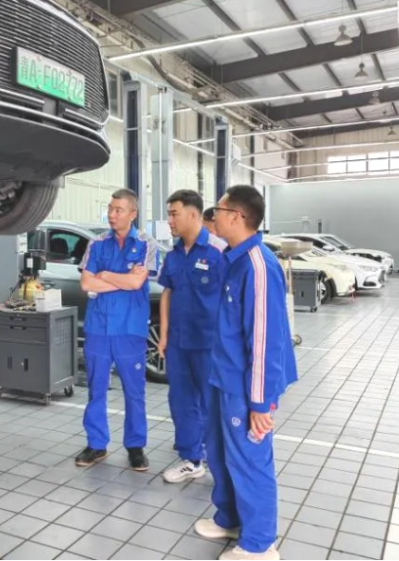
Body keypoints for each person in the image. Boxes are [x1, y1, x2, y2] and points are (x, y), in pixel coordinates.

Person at [195, 185, 298, 561]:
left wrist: (260, 403)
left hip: (246, 385)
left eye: (217, 211)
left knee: (249, 460)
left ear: (236, 217)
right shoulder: (234, 258)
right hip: (224, 377)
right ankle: (231, 518)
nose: (212, 217)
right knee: (220, 452)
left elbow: (265, 341)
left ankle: (259, 544)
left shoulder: (257, 265)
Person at [76, 188, 159, 471]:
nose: (112, 214)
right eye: (110, 208)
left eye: (119, 210)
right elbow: (86, 283)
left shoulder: (146, 244)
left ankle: (135, 447)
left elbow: (137, 283)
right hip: (98, 327)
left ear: (133, 214)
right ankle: (96, 444)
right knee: (96, 389)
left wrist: (106, 275)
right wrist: (122, 280)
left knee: (134, 391)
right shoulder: (97, 243)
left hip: (130, 329)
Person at [157, 190, 226, 484]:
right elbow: (167, 293)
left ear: (194, 214)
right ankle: (193, 459)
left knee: (213, 402)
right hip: (178, 343)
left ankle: (219, 461)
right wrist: (163, 335)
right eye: (169, 215)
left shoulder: (219, 251)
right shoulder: (173, 255)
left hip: (210, 343)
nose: (170, 221)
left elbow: (233, 299)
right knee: (181, 401)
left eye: (174, 214)